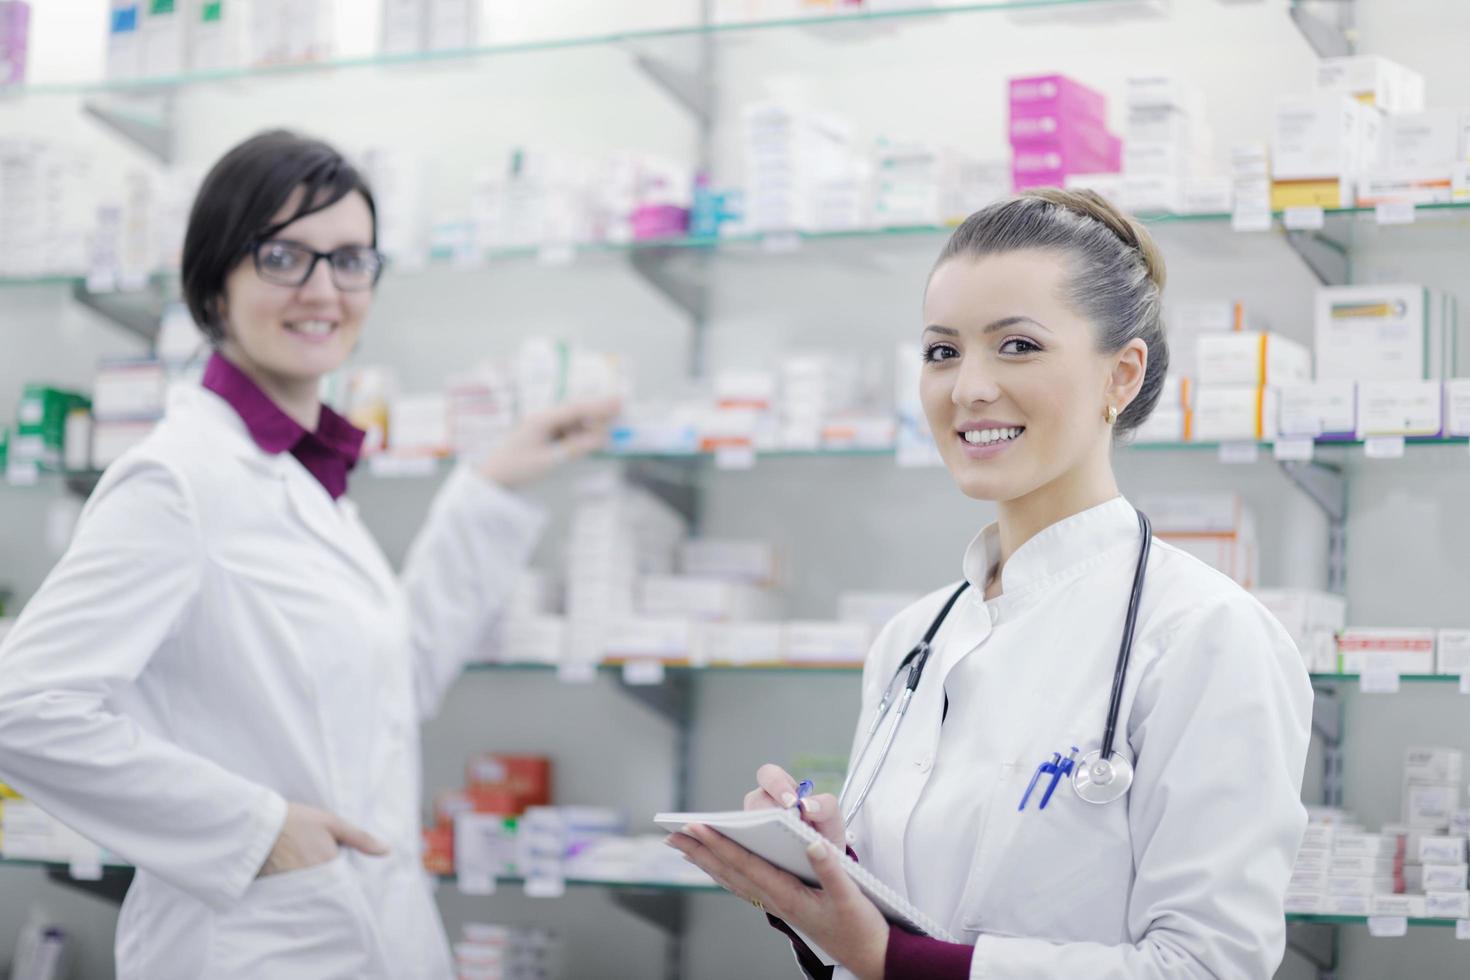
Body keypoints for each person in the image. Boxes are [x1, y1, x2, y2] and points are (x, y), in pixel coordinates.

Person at [0, 130, 618, 980]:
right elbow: (24, 708)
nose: (323, 290)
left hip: (368, 931)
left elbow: (392, 684)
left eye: (351, 259)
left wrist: (494, 486)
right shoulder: (180, 480)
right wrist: (256, 832)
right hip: (254, 943)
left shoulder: (297, 476)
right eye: (284, 256)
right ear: (216, 278)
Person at [668, 189, 1313, 980]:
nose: (968, 388)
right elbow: (897, 932)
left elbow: (1210, 968)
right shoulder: (914, 638)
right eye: (942, 352)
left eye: (1016, 346)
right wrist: (824, 883)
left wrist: (893, 959)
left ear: (1122, 374)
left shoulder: (1208, 635)